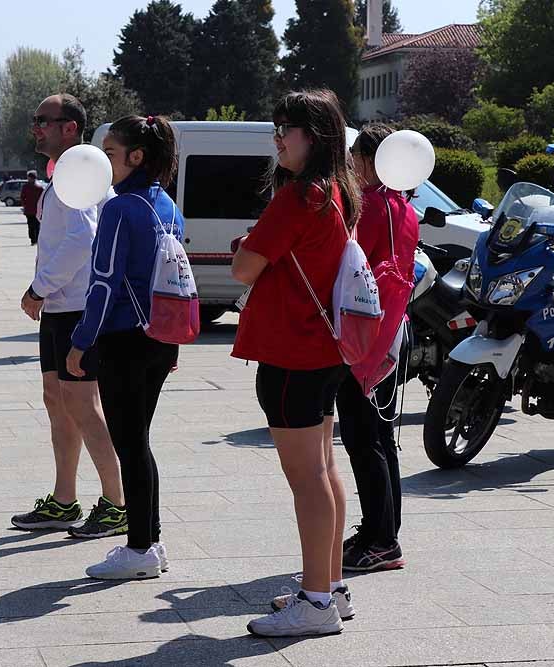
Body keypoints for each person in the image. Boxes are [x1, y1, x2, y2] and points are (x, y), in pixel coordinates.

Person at [230, 90, 362, 637]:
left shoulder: (299, 196)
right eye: (277, 127)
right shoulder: (337, 191)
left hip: (292, 351)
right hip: (324, 349)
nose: (278, 138)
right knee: (324, 470)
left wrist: (249, 247)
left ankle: (316, 602)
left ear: (317, 135)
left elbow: (243, 268)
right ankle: (330, 588)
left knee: (307, 479)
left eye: (287, 128)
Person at [68, 115, 183, 581]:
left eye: (111, 153)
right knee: (139, 441)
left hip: (125, 340)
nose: (103, 163)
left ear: (136, 156)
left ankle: (139, 549)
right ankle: (149, 541)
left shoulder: (119, 208)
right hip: (160, 337)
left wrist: (80, 341)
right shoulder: (167, 205)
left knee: (130, 444)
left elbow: (103, 283)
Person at [13, 93, 126, 540]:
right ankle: (64, 501)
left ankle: (118, 503)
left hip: (78, 307)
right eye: (36, 119)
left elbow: (82, 239)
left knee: (81, 404)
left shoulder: (77, 174)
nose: (36, 127)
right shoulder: (67, 172)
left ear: (70, 127)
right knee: (56, 399)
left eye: (44, 120)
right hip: (61, 308)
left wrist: (39, 287)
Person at [333, 123, 418, 572]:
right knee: (379, 439)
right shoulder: (403, 206)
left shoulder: (371, 207)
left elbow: (351, 268)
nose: (350, 166)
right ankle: (380, 531)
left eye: (355, 159)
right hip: (391, 331)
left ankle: (382, 540)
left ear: (372, 160)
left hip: (369, 337)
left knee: (365, 440)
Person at [21, 170, 44, 245]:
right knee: (35, 225)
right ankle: (35, 239)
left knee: (33, 225)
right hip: (35, 210)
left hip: (31, 210)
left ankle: (34, 240)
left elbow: (22, 197)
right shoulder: (39, 187)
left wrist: (24, 205)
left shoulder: (35, 187)